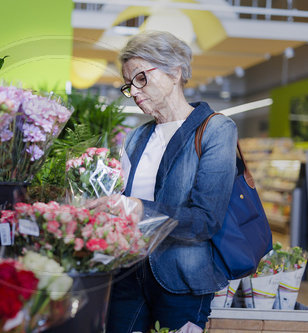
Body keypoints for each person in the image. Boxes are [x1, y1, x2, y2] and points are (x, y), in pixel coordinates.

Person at [106, 30, 238, 332]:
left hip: (181, 281)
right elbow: (123, 203)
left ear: (175, 72)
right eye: (129, 86)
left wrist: (141, 209)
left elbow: (205, 220)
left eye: (141, 78)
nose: (135, 92)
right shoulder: (137, 137)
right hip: (128, 275)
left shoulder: (217, 129)